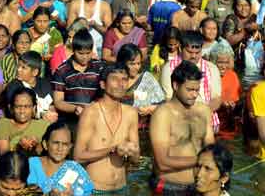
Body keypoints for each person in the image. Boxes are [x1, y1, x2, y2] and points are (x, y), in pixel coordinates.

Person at [149, 60, 215, 195]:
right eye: (190, 89)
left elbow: (211, 149)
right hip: (168, 187)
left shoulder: (204, 111)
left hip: (199, 186)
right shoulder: (162, 114)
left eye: (197, 90)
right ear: (175, 85)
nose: (195, 94)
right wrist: (203, 161)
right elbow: (162, 162)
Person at [73, 63, 140, 193]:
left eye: (124, 80)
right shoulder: (91, 112)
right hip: (95, 189)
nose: (121, 84)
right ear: (103, 85)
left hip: (122, 188)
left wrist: (132, 151)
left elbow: (136, 160)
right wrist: (112, 149)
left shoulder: (131, 113)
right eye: (115, 79)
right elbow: (78, 156)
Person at [26, 120, 94, 195]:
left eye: (65, 144)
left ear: (70, 147)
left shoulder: (75, 169)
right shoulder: (31, 165)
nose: (60, 148)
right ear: (45, 144)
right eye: (56, 143)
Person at [0, 86, 49, 155]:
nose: (22, 111)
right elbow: (3, 153)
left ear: (33, 108)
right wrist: (18, 147)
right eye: (18, 107)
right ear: (11, 108)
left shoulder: (44, 126)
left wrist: (36, 146)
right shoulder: (4, 124)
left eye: (26, 106)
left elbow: (51, 151)